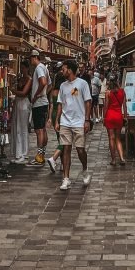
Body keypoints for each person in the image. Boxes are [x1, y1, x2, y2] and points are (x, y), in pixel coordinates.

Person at [54, 58, 92, 190]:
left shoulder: (82, 84)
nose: (62, 71)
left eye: (63, 69)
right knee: (66, 149)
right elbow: (60, 104)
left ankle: (85, 170)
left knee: (80, 149)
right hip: (65, 121)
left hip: (79, 121)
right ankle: (66, 178)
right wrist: (57, 120)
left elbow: (88, 102)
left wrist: (87, 120)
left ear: (69, 70)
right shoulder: (63, 86)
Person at [28, 49, 50, 165]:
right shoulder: (44, 67)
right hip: (44, 102)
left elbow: (43, 82)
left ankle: (39, 156)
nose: (30, 60)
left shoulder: (39, 68)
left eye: (30, 58)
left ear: (34, 57)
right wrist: (45, 94)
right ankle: (42, 154)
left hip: (39, 103)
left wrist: (36, 95)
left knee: (39, 130)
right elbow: (49, 84)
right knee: (43, 129)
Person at [10, 59, 32, 164]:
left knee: (22, 128)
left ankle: (23, 153)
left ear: (27, 68)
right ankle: (17, 152)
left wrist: (13, 91)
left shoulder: (29, 79)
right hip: (17, 102)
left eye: (23, 67)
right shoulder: (20, 79)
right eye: (21, 68)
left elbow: (24, 93)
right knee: (16, 127)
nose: (22, 70)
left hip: (24, 103)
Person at [103, 75, 127, 165]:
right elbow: (124, 106)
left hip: (110, 115)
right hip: (118, 116)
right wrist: (125, 117)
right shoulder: (122, 91)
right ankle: (122, 158)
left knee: (111, 138)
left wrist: (104, 118)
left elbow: (105, 107)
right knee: (118, 138)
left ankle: (113, 160)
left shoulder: (108, 93)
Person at [47, 61, 66, 174]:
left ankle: (62, 165)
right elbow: (61, 105)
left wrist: (50, 118)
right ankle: (53, 158)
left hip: (54, 115)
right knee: (65, 141)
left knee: (60, 138)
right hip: (61, 114)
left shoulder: (53, 91)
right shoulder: (63, 90)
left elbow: (51, 105)